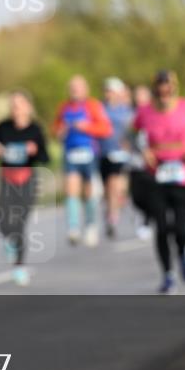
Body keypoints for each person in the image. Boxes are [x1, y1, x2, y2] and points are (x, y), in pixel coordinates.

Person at [132, 71, 185, 294]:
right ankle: (167, 274)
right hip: (155, 175)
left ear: (175, 89)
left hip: (183, 173)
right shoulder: (144, 112)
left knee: (181, 228)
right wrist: (143, 150)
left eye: (168, 90)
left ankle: (184, 252)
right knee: (162, 226)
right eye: (159, 91)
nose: (164, 95)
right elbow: (130, 134)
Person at [0, 90, 50, 286]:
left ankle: (20, 265)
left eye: (19, 105)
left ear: (28, 108)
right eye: (13, 105)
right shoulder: (3, 127)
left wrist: (35, 150)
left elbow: (45, 158)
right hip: (7, 181)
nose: (15, 109)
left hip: (27, 182)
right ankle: (9, 242)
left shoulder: (35, 130)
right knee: (3, 223)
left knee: (19, 225)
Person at [52, 75, 113, 247]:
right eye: (72, 87)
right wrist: (60, 131)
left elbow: (106, 129)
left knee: (89, 192)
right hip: (71, 154)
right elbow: (55, 130)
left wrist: (87, 127)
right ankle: (73, 228)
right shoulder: (63, 108)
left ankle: (91, 225)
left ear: (85, 89)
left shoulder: (93, 106)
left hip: (90, 154)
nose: (75, 90)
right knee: (71, 189)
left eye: (78, 87)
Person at [99, 77, 133, 239]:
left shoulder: (126, 110)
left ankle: (113, 218)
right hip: (103, 153)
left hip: (121, 154)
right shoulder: (100, 109)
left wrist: (129, 143)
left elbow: (133, 131)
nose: (109, 94)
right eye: (107, 91)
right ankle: (111, 210)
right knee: (107, 189)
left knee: (114, 185)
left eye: (112, 91)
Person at [127, 84, 155, 240]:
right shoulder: (131, 115)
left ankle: (146, 221)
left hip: (151, 162)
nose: (139, 98)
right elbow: (128, 135)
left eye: (142, 95)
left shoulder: (154, 114)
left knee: (151, 194)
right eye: (137, 95)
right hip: (135, 161)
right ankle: (141, 214)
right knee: (136, 195)